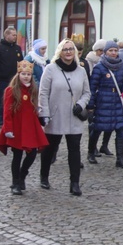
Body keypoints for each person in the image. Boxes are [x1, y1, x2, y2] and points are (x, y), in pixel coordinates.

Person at [38, 39, 91, 196]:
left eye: (71, 49)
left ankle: (74, 183)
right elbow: (43, 93)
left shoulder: (81, 71)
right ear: (60, 52)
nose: (68, 52)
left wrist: (81, 104)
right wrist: (45, 113)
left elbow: (87, 92)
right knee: (49, 149)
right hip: (55, 116)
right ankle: (44, 176)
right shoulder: (50, 69)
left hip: (74, 117)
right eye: (65, 49)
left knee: (74, 150)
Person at [0, 61, 49, 195]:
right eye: (23, 74)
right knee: (17, 155)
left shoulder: (33, 90)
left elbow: (35, 107)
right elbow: (7, 111)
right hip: (17, 126)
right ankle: (15, 182)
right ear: (18, 75)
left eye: (28, 74)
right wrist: (8, 128)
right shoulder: (11, 90)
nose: (26, 77)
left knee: (32, 153)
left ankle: (22, 174)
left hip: (30, 126)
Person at [87, 40, 123, 168]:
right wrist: (91, 105)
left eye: (115, 50)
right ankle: (91, 152)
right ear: (105, 52)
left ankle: (120, 158)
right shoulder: (99, 67)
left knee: (120, 129)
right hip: (103, 101)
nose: (113, 53)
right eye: (111, 50)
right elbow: (92, 87)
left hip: (117, 101)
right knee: (97, 129)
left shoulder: (121, 66)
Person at [0, 26, 24, 126]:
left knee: (16, 100)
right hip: (3, 80)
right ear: (6, 35)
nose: (15, 37)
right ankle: (2, 121)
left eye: (16, 35)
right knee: (3, 101)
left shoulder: (17, 48)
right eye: (13, 35)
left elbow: (21, 62)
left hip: (15, 80)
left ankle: (14, 120)